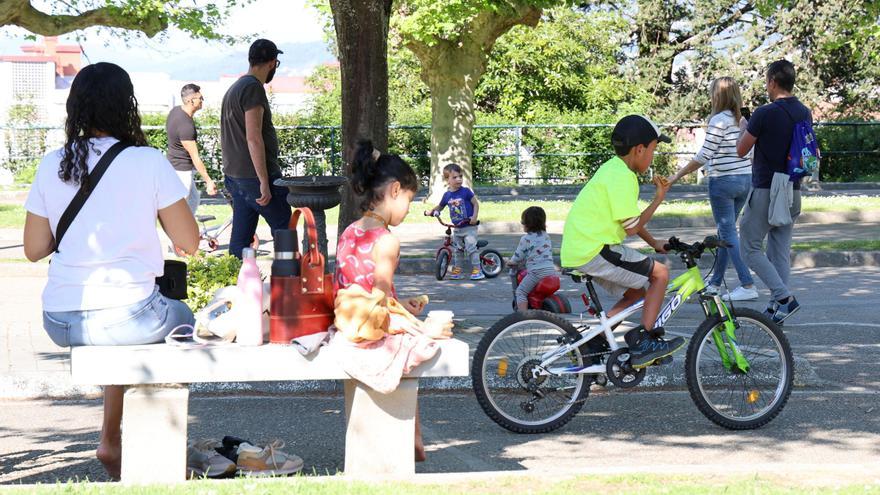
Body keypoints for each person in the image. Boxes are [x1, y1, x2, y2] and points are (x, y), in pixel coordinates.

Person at [21, 62, 200, 480]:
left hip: (60, 319)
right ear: (127, 106)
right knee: (183, 321)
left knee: (117, 334)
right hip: (130, 315)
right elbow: (188, 242)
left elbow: (33, 250)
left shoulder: (53, 163)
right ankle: (158, 440)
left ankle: (110, 438)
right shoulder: (148, 161)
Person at [333, 140, 433, 462]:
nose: (408, 209)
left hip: (347, 318)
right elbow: (379, 293)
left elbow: (355, 286)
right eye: (408, 199)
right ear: (394, 190)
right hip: (370, 325)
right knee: (425, 340)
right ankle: (413, 437)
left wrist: (400, 301)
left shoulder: (350, 231)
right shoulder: (387, 240)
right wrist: (402, 312)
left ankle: (412, 438)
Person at [560, 115, 685, 369]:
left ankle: (593, 341)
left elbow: (628, 221)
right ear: (639, 149)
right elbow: (632, 227)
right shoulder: (623, 178)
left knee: (636, 294)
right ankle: (645, 341)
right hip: (595, 249)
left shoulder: (612, 169)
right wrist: (659, 198)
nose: (652, 156)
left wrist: (654, 243)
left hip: (583, 249)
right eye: (653, 149)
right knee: (660, 274)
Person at [667, 77, 757, 301]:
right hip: (745, 180)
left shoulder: (719, 120)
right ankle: (715, 283)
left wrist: (678, 175)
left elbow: (704, 155)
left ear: (717, 96)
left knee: (727, 234)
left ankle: (747, 284)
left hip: (723, 183)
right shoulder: (743, 120)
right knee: (724, 234)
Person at [736, 59, 811, 324]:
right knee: (779, 251)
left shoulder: (764, 113)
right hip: (793, 189)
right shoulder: (804, 111)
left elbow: (741, 150)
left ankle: (783, 298)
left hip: (767, 189)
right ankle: (776, 308)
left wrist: (745, 127)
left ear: (772, 82)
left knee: (749, 249)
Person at [220, 38, 291, 259]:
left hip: (236, 176)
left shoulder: (235, 88)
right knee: (284, 230)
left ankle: (237, 283)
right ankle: (287, 286)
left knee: (240, 241)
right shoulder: (253, 88)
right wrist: (263, 181)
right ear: (272, 63)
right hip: (256, 177)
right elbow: (254, 138)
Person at [425, 163, 483, 280]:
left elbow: (475, 204)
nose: (459, 179)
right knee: (458, 250)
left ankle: (477, 269)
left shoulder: (466, 191)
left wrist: (474, 216)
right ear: (447, 180)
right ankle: (458, 270)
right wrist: (431, 211)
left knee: (471, 247)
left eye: (460, 176)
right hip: (457, 228)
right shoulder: (447, 195)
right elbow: (440, 206)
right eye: (455, 177)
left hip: (469, 227)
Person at [166, 83, 217, 213]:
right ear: (190, 100)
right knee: (179, 212)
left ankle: (190, 231)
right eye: (200, 97)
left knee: (194, 200)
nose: (202, 100)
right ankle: (180, 232)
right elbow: (195, 156)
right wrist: (208, 181)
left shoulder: (175, 111)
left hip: (172, 166)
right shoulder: (186, 126)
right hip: (181, 172)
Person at [509, 206, 557, 311]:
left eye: (523, 222)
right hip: (550, 271)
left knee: (520, 292)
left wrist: (511, 261)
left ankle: (523, 317)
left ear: (528, 224)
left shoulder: (526, 239)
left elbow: (518, 255)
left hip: (536, 272)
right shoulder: (546, 236)